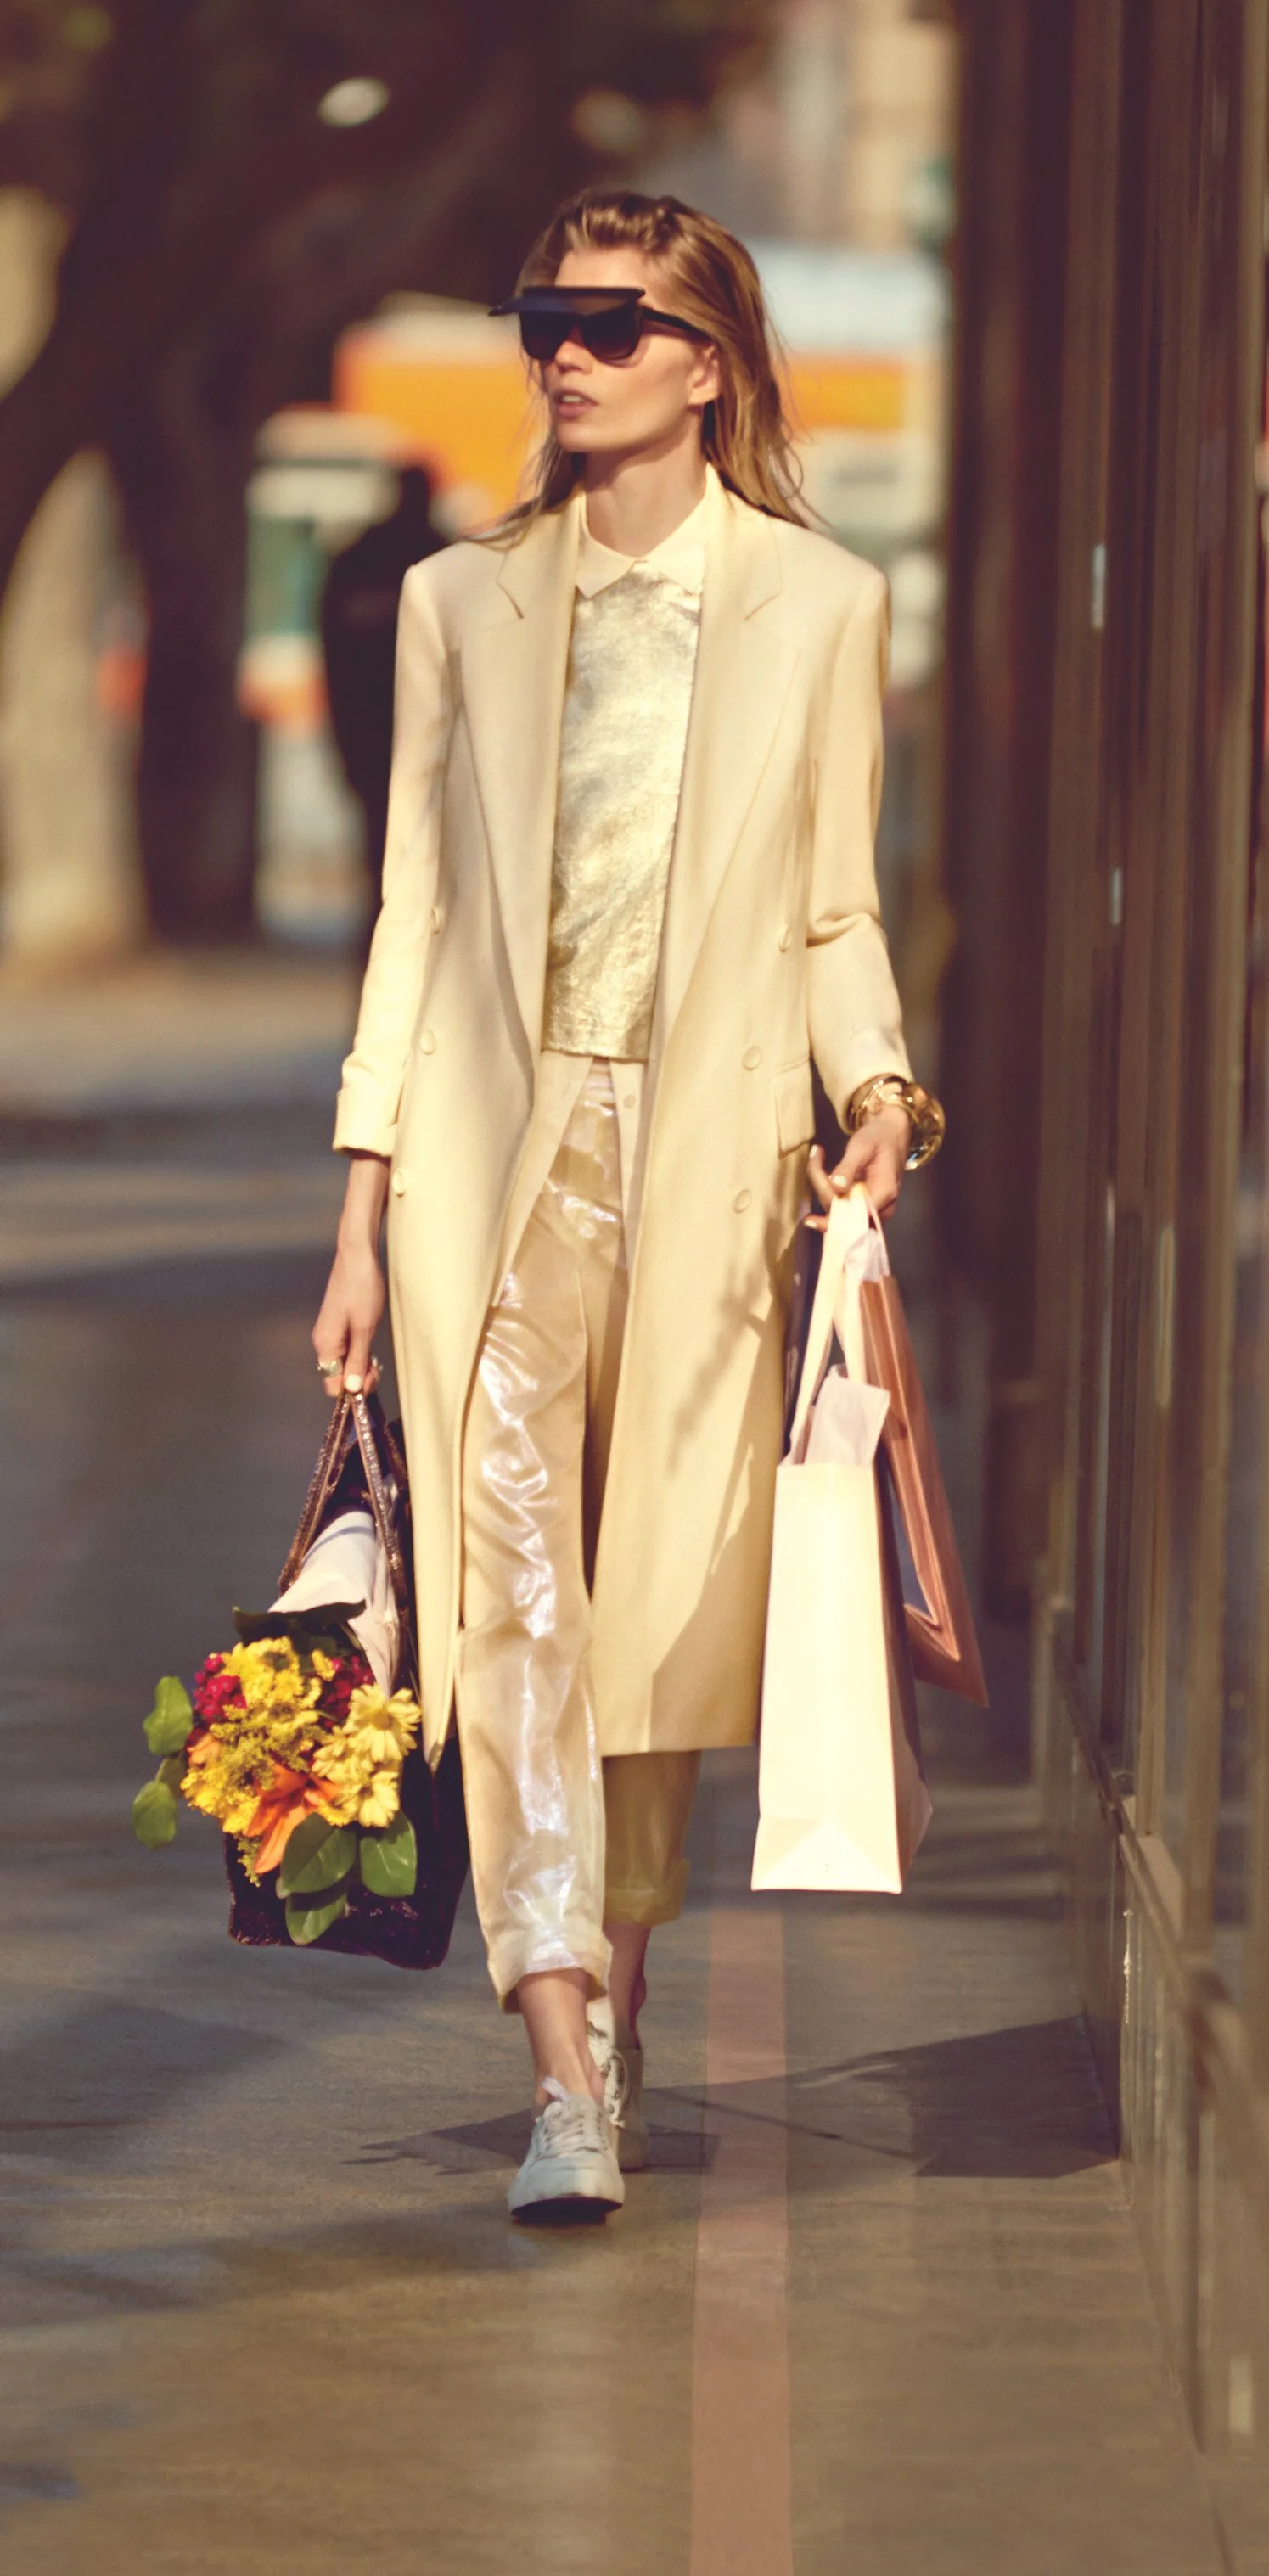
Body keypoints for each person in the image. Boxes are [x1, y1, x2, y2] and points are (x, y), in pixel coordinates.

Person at [311, 188, 944, 2220]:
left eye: (607, 320)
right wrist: (356, 1203)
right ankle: (562, 2056)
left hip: (700, 1170)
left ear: (707, 357)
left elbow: (832, 904)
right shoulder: (453, 604)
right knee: (506, 1610)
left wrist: (880, 1082)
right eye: (540, 320)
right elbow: (411, 917)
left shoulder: (817, 606)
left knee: (656, 1627)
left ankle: (625, 1969)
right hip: (486, 1178)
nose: (562, 354)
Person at [320, 463, 447, 922]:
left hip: (374, 739)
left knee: (383, 872)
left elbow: (332, 660)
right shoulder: (446, 560)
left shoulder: (356, 560)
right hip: (422, 741)